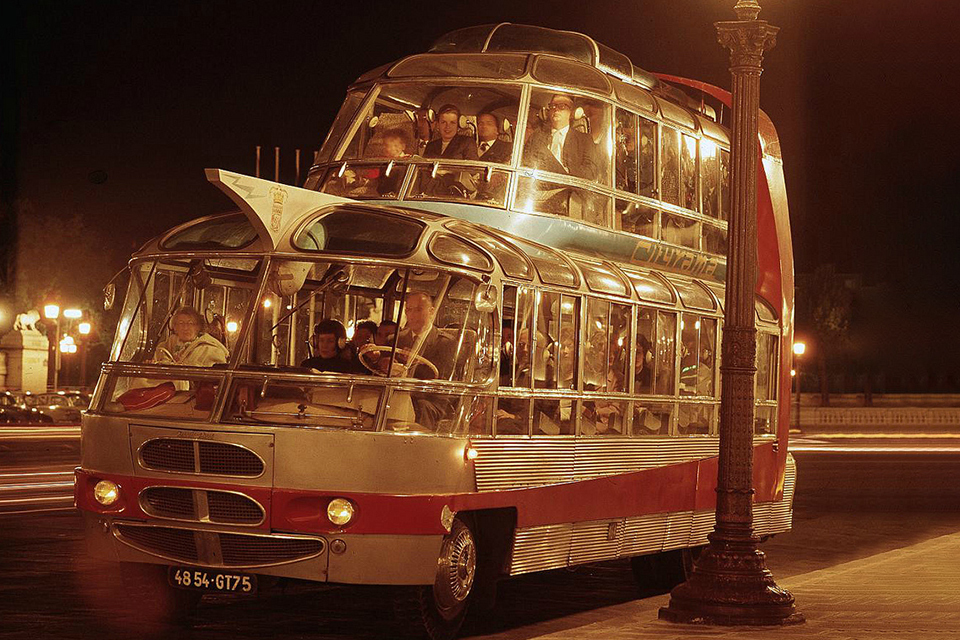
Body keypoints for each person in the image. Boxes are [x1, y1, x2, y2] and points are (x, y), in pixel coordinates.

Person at [523, 93, 598, 181]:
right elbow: (524, 162)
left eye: (562, 106)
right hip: (538, 185)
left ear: (571, 112)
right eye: (552, 106)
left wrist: (566, 173)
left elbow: (591, 172)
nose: (556, 109)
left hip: (569, 187)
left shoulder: (584, 140)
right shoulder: (536, 136)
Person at [396, 291, 456, 380]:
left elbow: (445, 375)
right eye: (409, 309)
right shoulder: (396, 339)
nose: (413, 315)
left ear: (431, 311)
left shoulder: (445, 343)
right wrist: (380, 361)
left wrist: (418, 361)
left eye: (418, 310)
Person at [156, 307, 229, 368]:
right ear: (175, 327)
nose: (185, 327)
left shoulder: (212, 350)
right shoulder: (164, 348)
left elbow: (217, 376)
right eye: (181, 323)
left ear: (198, 327)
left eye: (190, 323)